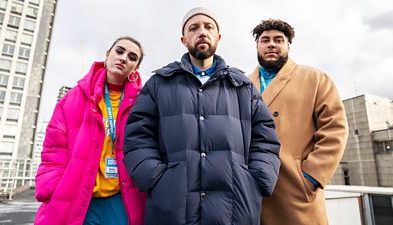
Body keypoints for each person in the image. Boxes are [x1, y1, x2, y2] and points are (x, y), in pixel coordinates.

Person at [123, 7, 280, 225]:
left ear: (218, 36)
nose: (202, 32)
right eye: (194, 28)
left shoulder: (243, 87)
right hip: (173, 209)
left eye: (208, 27)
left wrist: (256, 180)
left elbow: (266, 139)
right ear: (183, 39)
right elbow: (137, 138)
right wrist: (157, 179)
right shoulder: (159, 84)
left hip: (236, 210)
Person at [34, 36, 146, 225]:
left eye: (132, 57)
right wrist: (52, 189)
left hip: (121, 199)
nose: (124, 58)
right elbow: (54, 149)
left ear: (135, 68)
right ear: (107, 55)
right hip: (78, 196)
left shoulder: (143, 104)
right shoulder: (72, 99)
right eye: (119, 51)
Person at [249, 19, 349, 225]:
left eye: (278, 40)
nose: (271, 44)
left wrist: (311, 177)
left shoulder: (315, 78)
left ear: (288, 45)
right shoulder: (242, 84)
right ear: (257, 45)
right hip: (252, 189)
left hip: (295, 189)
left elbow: (335, 129)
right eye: (264, 40)